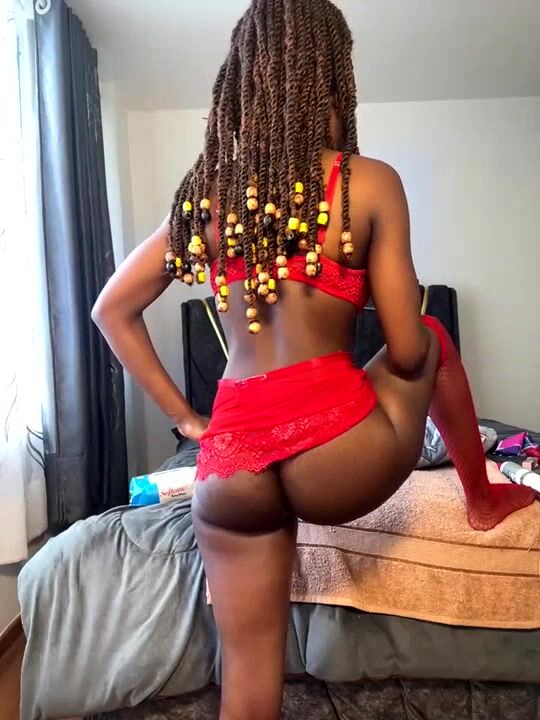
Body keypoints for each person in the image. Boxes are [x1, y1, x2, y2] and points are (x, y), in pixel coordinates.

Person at [92, 1, 535, 717]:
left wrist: (189, 421)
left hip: (230, 470)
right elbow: (407, 347)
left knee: (248, 677)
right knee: (432, 333)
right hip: (339, 455)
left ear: (245, 83)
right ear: (330, 77)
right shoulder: (368, 181)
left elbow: (110, 310)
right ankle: (482, 498)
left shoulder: (208, 199)